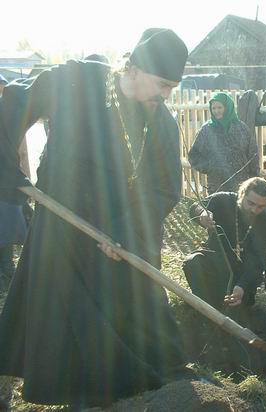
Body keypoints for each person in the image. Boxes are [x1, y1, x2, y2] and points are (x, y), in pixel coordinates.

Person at [0, 28, 189, 406]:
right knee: (64, 311)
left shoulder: (161, 122)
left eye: (172, 87)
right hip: (60, 224)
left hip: (116, 236)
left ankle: (128, 389)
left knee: (122, 313)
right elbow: (14, 106)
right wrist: (7, 169)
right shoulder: (77, 80)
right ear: (134, 67)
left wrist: (125, 233)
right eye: (163, 84)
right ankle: (75, 392)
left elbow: (164, 188)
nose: (166, 95)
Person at [182, 177, 266, 315]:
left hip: (243, 275)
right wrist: (202, 213)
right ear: (241, 194)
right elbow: (195, 207)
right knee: (193, 262)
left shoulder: (265, 223)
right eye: (250, 203)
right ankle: (206, 310)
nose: (254, 210)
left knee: (238, 309)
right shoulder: (223, 200)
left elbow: (259, 262)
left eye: (261, 207)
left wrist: (242, 286)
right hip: (217, 263)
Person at [188, 92, 260, 194]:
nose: (216, 111)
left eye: (219, 107)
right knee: (218, 209)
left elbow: (253, 154)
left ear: (227, 107)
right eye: (213, 108)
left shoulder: (241, 128)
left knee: (239, 209)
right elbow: (193, 155)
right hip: (217, 185)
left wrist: (255, 178)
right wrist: (210, 167)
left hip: (240, 184)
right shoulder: (207, 130)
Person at [0, 74, 28, 289]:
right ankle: (7, 272)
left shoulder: (10, 115)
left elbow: (20, 153)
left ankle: (7, 272)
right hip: (7, 184)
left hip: (8, 184)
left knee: (6, 230)